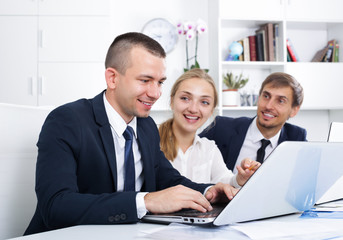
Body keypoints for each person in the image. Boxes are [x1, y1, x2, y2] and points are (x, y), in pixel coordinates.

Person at [24, 32, 238, 235]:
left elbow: (168, 180)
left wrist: (209, 191)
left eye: (160, 82)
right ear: (112, 79)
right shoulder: (66, 121)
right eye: (145, 80)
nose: (155, 93)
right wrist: (145, 201)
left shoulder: (146, 127)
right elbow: (55, 206)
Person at [159, 69, 259, 188]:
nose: (193, 109)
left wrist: (240, 178)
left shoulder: (209, 148)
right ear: (172, 101)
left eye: (204, 102)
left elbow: (223, 178)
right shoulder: (151, 143)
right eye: (185, 98)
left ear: (212, 110)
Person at [200, 72, 307, 172]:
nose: (269, 106)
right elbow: (188, 149)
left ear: (294, 110)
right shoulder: (222, 127)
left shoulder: (296, 139)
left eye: (280, 101)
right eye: (266, 96)